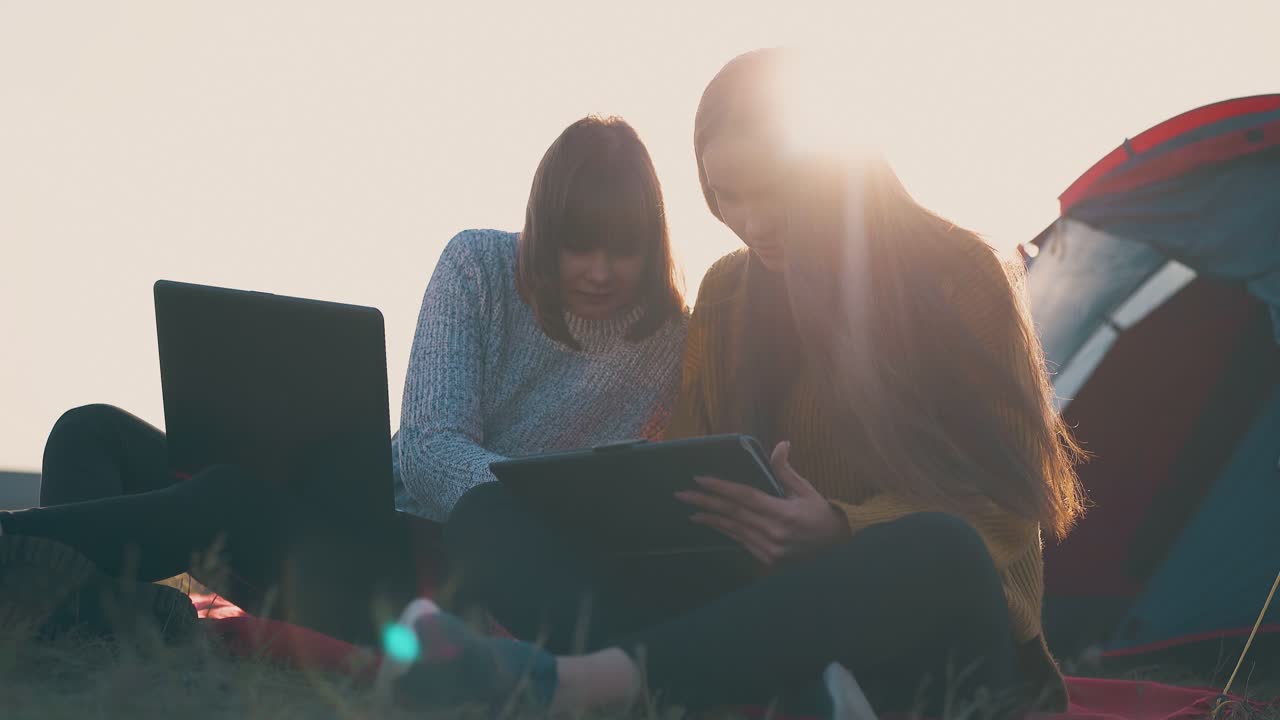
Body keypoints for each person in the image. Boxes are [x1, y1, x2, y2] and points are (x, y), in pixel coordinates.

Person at [377, 49, 1085, 718]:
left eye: (772, 192)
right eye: (726, 196)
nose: (751, 222)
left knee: (941, 546)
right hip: (767, 624)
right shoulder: (729, 292)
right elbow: (682, 474)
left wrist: (839, 528)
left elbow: (1005, 507)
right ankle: (781, 698)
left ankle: (572, 682)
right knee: (487, 517)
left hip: (926, 640)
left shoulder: (957, 274)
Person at [0, 115, 689, 645]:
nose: (600, 271)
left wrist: (533, 513)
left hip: (428, 578)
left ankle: (21, 553)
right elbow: (426, 452)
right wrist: (534, 493)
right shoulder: (478, 265)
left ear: (652, 240)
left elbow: (620, 502)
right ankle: (87, 613)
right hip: (356, 505)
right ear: (544, 228)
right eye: (579, 245)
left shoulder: (668, 341)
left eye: (622, 249)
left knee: (227, 497)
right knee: (88, 429)